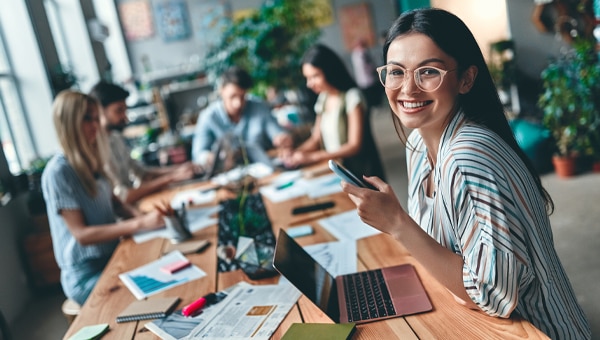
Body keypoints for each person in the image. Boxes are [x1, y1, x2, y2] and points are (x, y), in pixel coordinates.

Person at [340, 8, 590, 339]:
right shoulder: (417, 144)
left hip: (529, 332)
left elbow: (491, 295)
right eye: (396, 72)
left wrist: (397, 223)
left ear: (466, 79)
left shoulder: (469, 154)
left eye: (428, 72)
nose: (408, 89)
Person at [41, 90, 165, 305]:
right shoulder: (58, 172)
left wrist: (143, 217)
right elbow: (82, 235)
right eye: (87, 118)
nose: (95, 125)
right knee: (152, 293)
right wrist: (140, 223)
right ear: (69, 122)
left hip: (111, 258)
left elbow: (116, 204)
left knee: (162, 270)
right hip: (86, 276)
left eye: (95, 118)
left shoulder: (93, 159)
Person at [282, 44, 386, 180]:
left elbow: (354, 145)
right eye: (307, 78)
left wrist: (313, 157)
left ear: (329, 71)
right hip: (339, 171)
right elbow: (315, 138)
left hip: (360, 174)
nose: (309, 84)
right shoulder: (323, 98)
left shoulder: (352, 97)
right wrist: (295, 153)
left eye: (315, 76)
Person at [89, 81, 196, 205]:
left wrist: (179, 169)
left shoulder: (116, 137)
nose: (125, 117)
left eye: (125, 110)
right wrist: (170, 178)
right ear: (99, 110)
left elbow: (141, 172)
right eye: (119, 111)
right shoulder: (96, 148)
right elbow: (123, 196)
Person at [191, 66, 293, 168]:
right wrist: (210, 158)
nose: (238, 104)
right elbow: (198, 154)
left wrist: (282, 138)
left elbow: (276, 132)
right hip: (227, 175)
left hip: (263, 170)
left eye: (242, 97)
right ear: (221, 90)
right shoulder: (208, 117)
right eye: (232, 96)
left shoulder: (259, 107)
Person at [351, 38, 383, 109]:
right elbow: (368, 65)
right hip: (370, 79)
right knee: (374, 97)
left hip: (362, 81)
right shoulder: (363, 52)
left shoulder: (354, 54)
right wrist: (375, 69)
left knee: (369, 98)